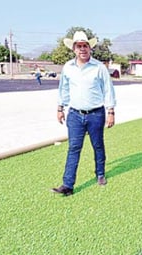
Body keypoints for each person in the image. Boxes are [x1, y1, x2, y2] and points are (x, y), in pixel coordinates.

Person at [52, 31, 116, 196]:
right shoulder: (68, 67)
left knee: (98, 145)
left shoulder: (99, 68)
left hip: (96, 114)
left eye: (85, 46)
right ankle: (67, 185)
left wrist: (111, 111)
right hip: (74, 114)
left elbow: (108, 90)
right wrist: (60, 108)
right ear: (74, 49)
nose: (82, 49)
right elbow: (64, 89)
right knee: (74, 147)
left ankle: (100, 174)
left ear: (90, 48)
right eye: (79, 46)